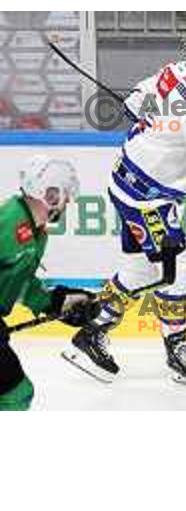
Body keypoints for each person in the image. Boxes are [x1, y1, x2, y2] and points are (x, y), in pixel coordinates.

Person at [63, 22, 186, 387]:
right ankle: (177, 348)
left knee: (143, 271)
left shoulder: (171, 73)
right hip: (148, 200)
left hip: (124, 181)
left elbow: (135, 103)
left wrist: (164, 127)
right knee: (176, 267)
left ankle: (92, 331)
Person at [0, 155, 97, 411]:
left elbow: (19, 283)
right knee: (16, 393)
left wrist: (57, 301)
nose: (67, 203)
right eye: (65, 196)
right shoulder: (8, 220)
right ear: (50, 194)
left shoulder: (37, 233)